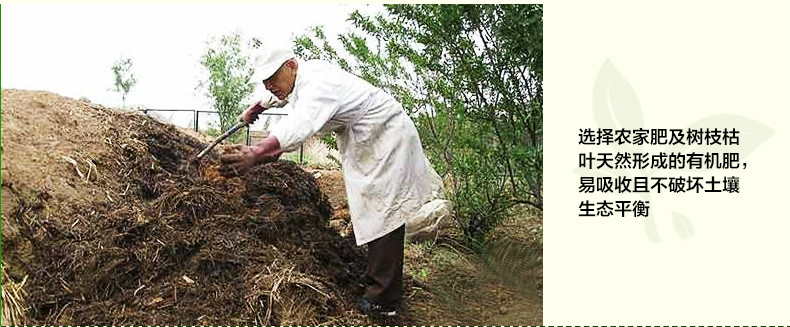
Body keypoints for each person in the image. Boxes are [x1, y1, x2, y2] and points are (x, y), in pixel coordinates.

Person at [219, 46, 443, 317]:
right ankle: (377, 279)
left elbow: (300, 124)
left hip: (386, 134)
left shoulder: (318, 84)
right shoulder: (296, 80)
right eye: (264, 81)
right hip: (369, 138)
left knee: (385, 211)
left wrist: (257, 152)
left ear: (291, 65)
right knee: (373, 209)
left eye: (272, 77)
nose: (270, 85)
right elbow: (276, 96)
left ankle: (384, 300)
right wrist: (256, 107)